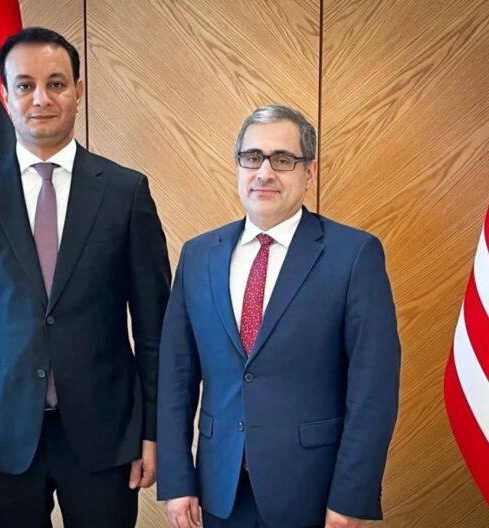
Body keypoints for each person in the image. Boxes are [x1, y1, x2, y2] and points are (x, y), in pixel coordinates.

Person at [0, 27, 171, 527]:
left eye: (56, 84)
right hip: (0, 436)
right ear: (4, 95)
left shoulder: (125, 192)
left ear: (78, 90)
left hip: (106, 434)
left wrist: (156, 430)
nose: (41, 98)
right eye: (25, 85)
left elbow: (155, 330)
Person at [156, 105, 400, 528]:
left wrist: (351, 497)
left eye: (283, 160)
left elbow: (373, 389)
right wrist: (177, 479)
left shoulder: (354, 255)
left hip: (312, 493)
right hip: (219, 491)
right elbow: (175, 377)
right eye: (252, 157)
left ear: (310, 172)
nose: (264, 173)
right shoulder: (198, 256)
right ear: (238, 166)